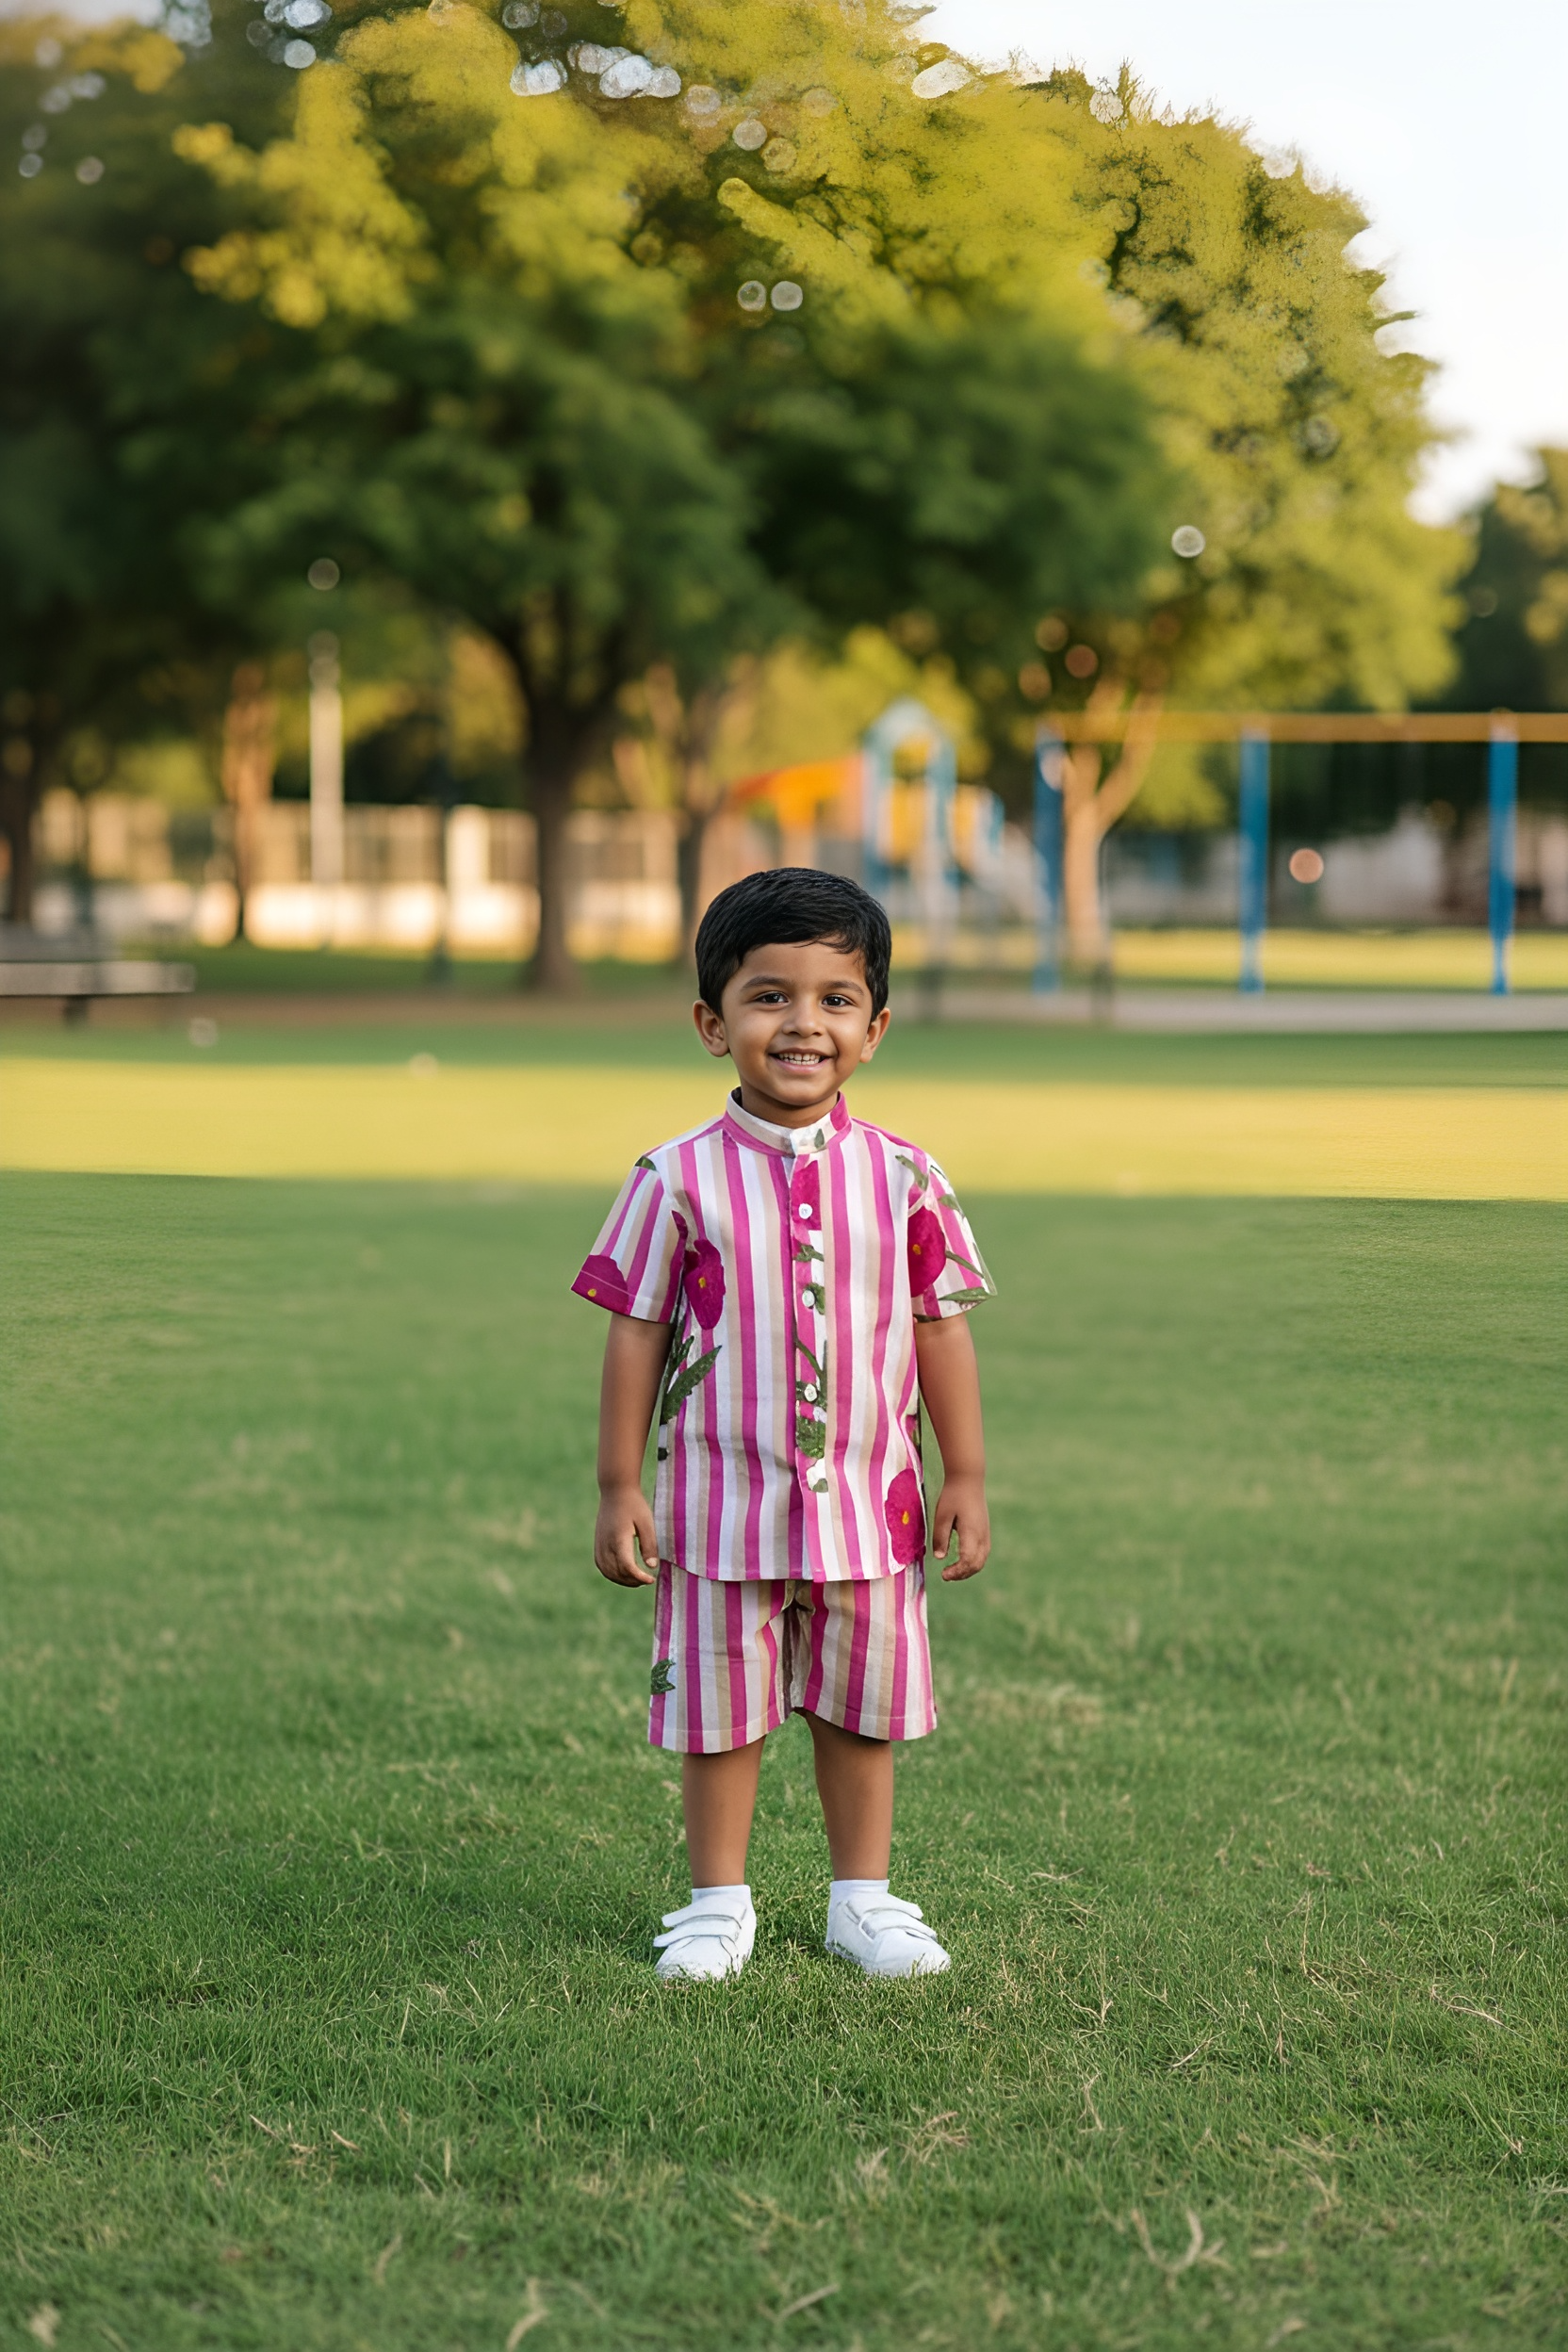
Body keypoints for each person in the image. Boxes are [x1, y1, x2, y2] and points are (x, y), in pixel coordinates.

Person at [572, 869, 993, 1981]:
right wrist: (619, 1486)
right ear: (712, 1023)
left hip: (868, 1508)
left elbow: (940, 1327)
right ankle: (717, 1906)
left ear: (874, 1028)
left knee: (859, 1713)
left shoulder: (905, 1178)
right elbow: (633, 1333)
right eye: (768, 996)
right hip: (718, 1515)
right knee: (718, 1715)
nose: (803, 1023)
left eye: (834, 999)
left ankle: (863, 1902)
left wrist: (964, 1475)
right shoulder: (673, 1180)